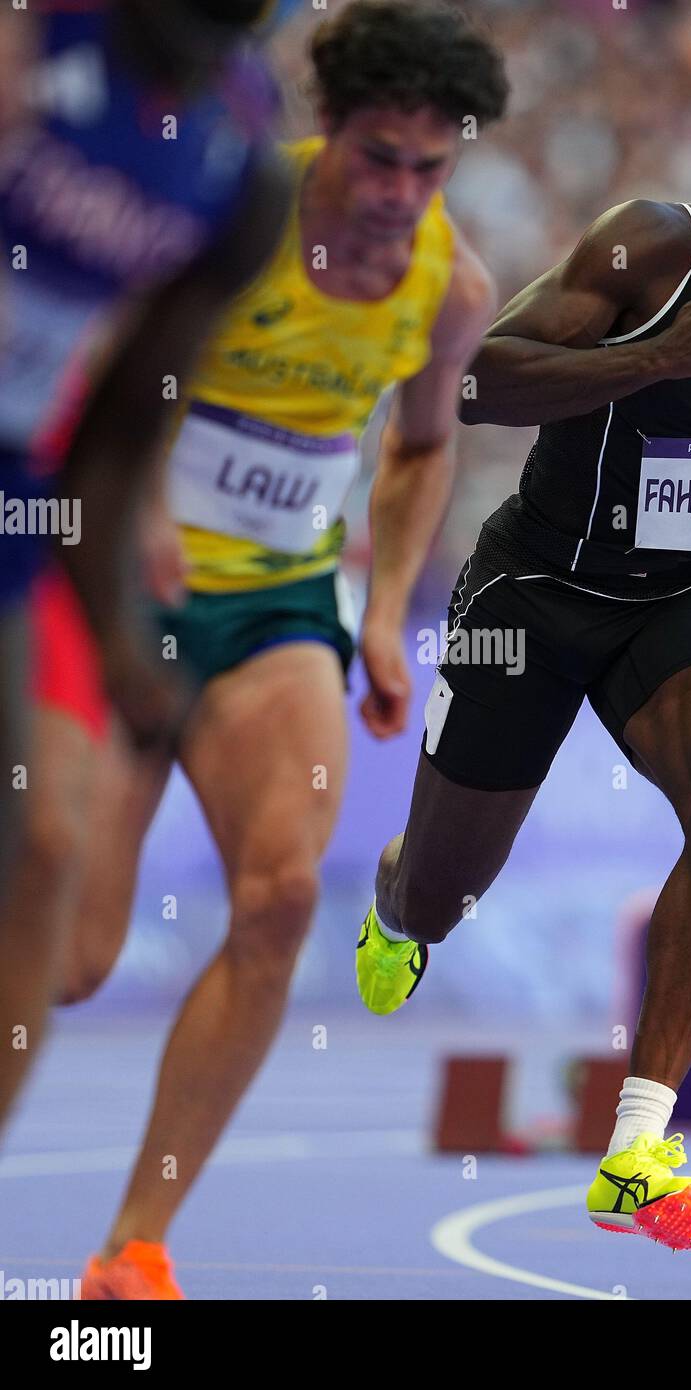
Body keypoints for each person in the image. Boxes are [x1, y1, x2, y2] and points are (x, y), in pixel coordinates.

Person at [355, 104, 691, 1250]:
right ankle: (399, 898)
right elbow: (471, 384)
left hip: (678, 606)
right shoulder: (646, 246)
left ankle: (638, 1144)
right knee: (446, 895)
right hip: (537, 586)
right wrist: (660, 354)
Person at [57, 0, 507, 1300]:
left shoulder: (449, 285)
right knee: (70, 960)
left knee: (282, 892)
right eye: (378, 157)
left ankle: (131, 1249)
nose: (400, 193)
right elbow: (104, 368)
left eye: (432, 168)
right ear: (328, 129)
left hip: (276, 607)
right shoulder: (228, 209)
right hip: (123, 592)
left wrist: (378, 612)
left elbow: (423, 444)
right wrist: (131, 513)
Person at [0, 0, 289, 1134]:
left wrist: (122, 643)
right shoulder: (35, 38)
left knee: (35, 851)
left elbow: (120, 432)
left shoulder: (239, 164)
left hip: (15, 480)